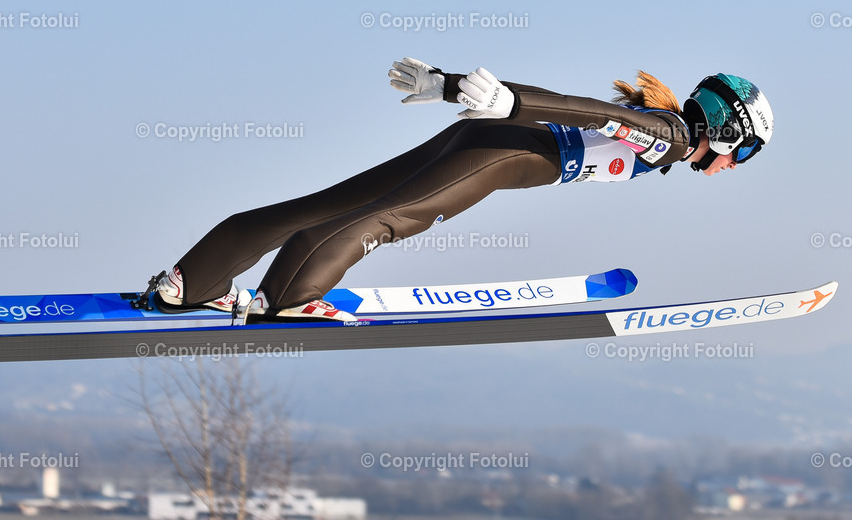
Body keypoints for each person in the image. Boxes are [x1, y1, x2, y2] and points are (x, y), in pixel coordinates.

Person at [153, 58, 774, 323]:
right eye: (744, 153)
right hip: (505, 154)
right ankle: (286, 295)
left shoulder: (664, 135)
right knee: (395, 217)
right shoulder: (667, 135)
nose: (737, 166)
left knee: (333, 202)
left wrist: (453, 87)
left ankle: (194, 280)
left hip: (486, 139)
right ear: (725, 134)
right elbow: (587, 112)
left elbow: (586, 113)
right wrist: (511, 99)